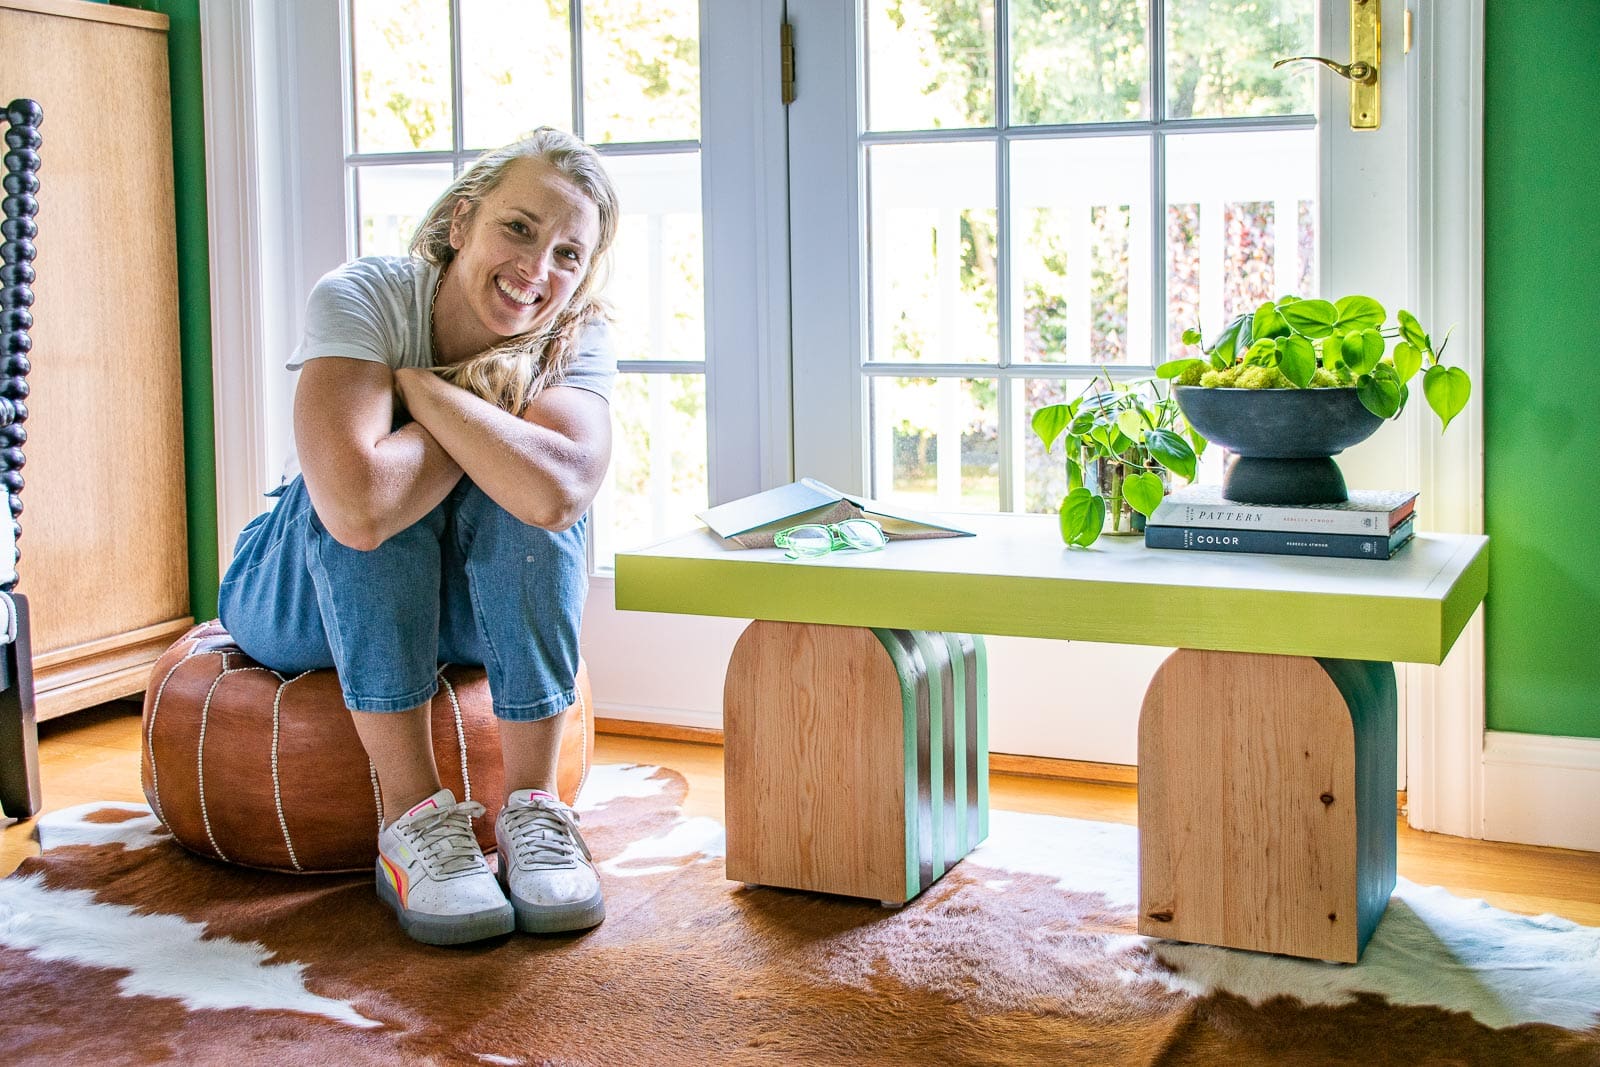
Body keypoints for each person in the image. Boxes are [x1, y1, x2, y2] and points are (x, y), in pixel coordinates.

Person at [217, 127, 619, 946]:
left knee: (528, 496)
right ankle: (413, 823)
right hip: (295, 596)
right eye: (518, 227)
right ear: (460, 222)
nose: (538, 270)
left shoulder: (576, 334)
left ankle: (534, 809)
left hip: (458, 602)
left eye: (568, 254)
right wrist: (493, 415)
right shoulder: (365, 295)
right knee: (382, 511)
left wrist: (419, 390)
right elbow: (358, 506)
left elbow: (556, 493)